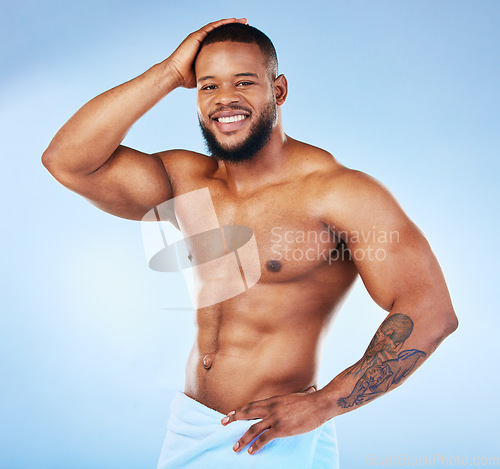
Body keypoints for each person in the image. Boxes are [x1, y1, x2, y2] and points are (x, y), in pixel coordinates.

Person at [42, 18, 458, 468]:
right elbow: (68, 161)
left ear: (278, 91)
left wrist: (324, 404)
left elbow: (429, 308)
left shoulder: (336, 192)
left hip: (268, 437)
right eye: (208, 86)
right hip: (191, 426)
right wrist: (168, 72)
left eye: (244, 82)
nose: (225, 99)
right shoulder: (188, 181)